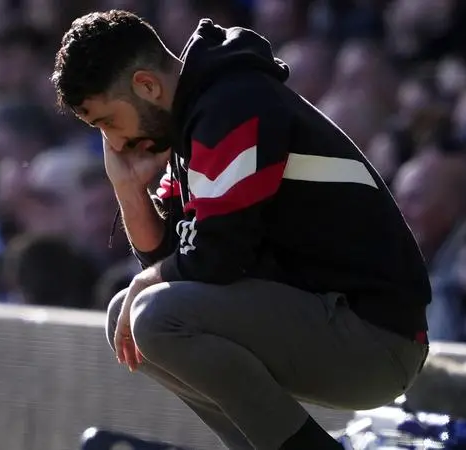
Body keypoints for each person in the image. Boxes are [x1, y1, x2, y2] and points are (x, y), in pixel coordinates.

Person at [51, 11, 431, 450]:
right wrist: (129, 190)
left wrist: (148, 280)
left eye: (109, 123)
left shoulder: (232, 105)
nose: (115, 145)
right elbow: (177, 263)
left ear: (147, 86)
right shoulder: (196, 117)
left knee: (155, 315)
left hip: (376, 338)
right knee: (128, 314)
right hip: (325, 320)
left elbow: (216, 258)